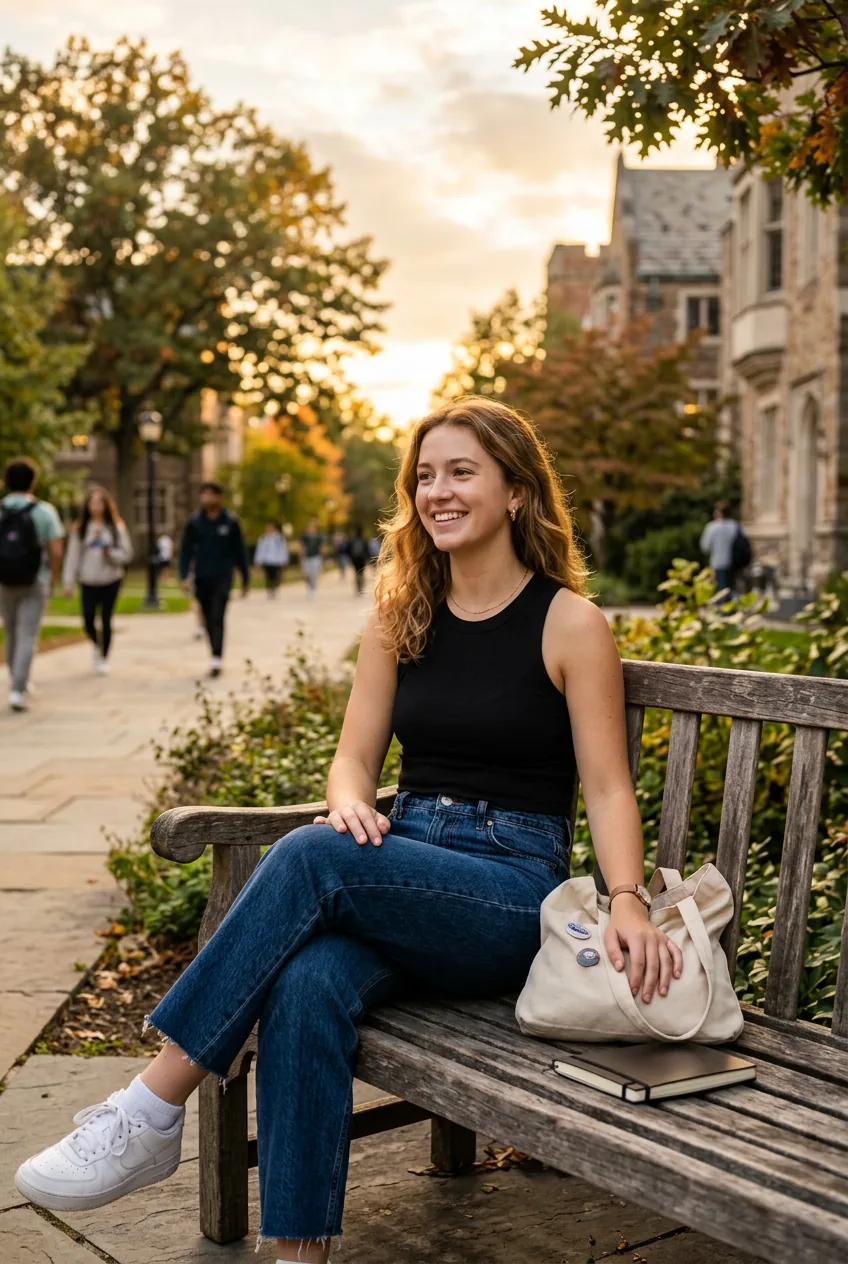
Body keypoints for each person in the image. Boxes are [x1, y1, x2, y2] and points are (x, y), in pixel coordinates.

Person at [14, 398, 682, 1262]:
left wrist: (626, 896)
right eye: (426, 476)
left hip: (511, 891)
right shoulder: (399, 617)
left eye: (461, 473)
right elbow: (351, 763)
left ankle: (151, 1106)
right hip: (407, 869)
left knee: (313, 860)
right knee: (307, 984)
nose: (437, 491)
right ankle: (300, 1256)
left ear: (517, 492)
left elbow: (605, 783)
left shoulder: (568, 623)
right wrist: (350, 802)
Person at [0, 458, 64, 711]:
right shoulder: (43, 511)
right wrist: (54, 577)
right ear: (33, 482)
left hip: (4, 580)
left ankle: (16, 681)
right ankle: (18, 689)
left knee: (11, 631)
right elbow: (56, 549)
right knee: (28, 633)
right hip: (34, 578)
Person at [178, 482, 249, 677]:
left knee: (218, 615)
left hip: (223, 576)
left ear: (219, 497)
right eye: (204, 494)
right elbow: (185, 551)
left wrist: (245, 578)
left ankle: (217, 657)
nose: (207, 498)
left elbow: (239, 552)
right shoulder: (194, 523)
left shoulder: (230, 522)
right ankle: (213, 651)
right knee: (208, 617)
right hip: (202, 576)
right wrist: (184, 576)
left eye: (211, 494)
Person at [62, 486, 133, 676]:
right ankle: (97, 644)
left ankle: (103, 656)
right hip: (88, 579)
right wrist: (68, 581)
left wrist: (111, 554)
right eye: (92, 502)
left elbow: (126, 554)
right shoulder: (81, 529)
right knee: (88, 619)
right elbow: (73, 556)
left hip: (111, 578)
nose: (96, 506)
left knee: (107, 619)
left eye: (99, 502)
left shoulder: (116, 527)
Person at [700, 500, 749, 597]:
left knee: (721, 592)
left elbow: (705, 547)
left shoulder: (712, 527)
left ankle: (724, 611)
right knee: (734, 590)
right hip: (735, 563)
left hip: (718, 563)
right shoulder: (736, 526)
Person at [253, 522, 289, 598]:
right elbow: (260, 550)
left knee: (276, 576)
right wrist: (258, 561)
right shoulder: (263, 538)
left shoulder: (279, 538)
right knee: (268, 576)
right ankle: (270, 589)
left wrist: (284, 560)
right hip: (267, 561)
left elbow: (283, 550)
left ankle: (275, 588)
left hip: (277, 561)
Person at [299, 518, 325, 599]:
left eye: (312, 528)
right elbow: (300, 547)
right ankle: (309, 588)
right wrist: (300, 556)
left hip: (316, 558)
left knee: (314, 574)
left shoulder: (318, 537)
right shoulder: (304, 537)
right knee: (307, 574)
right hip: (306, 558)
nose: (311, 529)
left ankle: (313, 588)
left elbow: (322, 548)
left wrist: (322, 558)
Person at [347, 524, 370, 597]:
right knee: (362, 573)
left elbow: (348, 550)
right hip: (362, 559)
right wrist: (367, 558)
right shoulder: (364, 540)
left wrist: (350, 558)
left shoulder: (352, 540)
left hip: (355, 559)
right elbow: (367, 550)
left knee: (356, 573)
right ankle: (361, 588)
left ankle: (358, 588)